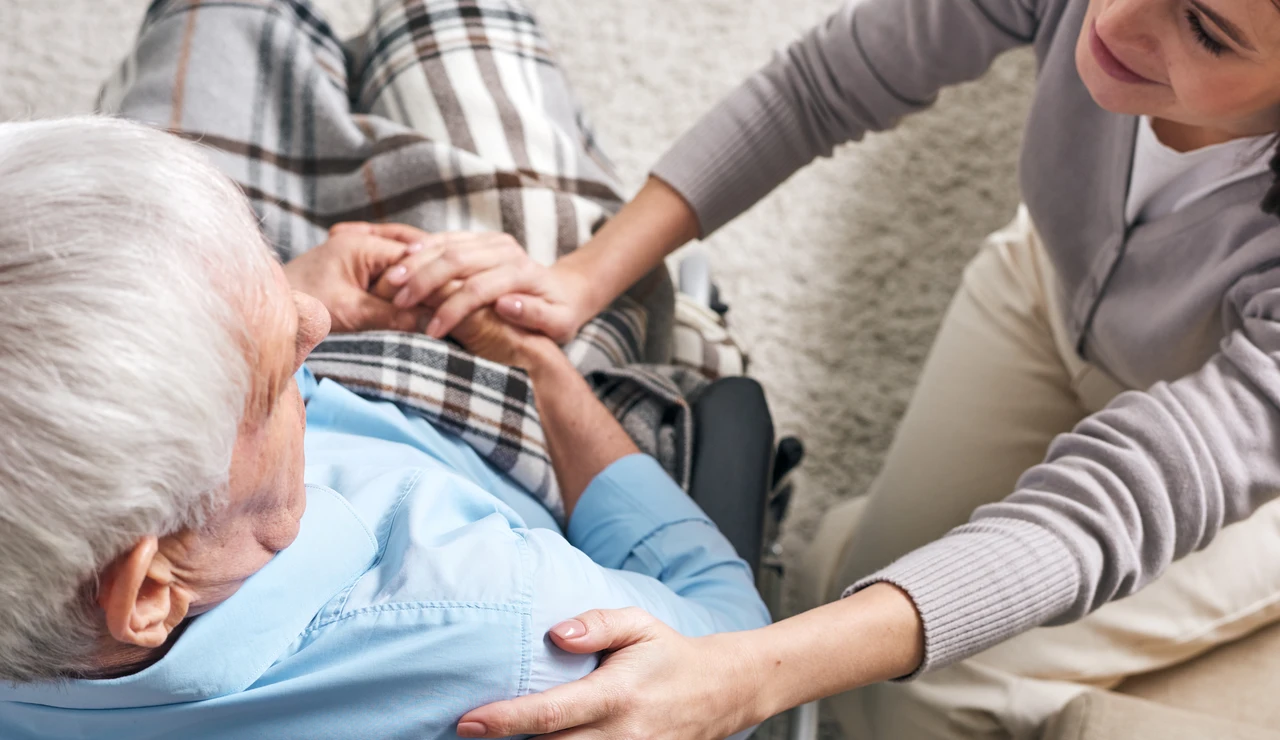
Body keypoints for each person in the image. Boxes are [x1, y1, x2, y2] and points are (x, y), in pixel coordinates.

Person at [424, 0, 1280, 736]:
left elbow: (1126, 499)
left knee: (908, 698)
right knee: (843, 585)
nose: (1116, 17)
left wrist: (757, 674)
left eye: (1205, 28)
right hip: (1045, 289)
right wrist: (582, 277)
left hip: (1235, 445)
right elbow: (822, 84)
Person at [0, 116, 769, 739]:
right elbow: (731, 637)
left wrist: (260, 302)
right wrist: (543, 369)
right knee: (488, 106)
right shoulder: (509, 626)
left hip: (254, 398)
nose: (317, 320)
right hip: (509, 431)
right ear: (149, 592)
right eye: (272, 388)